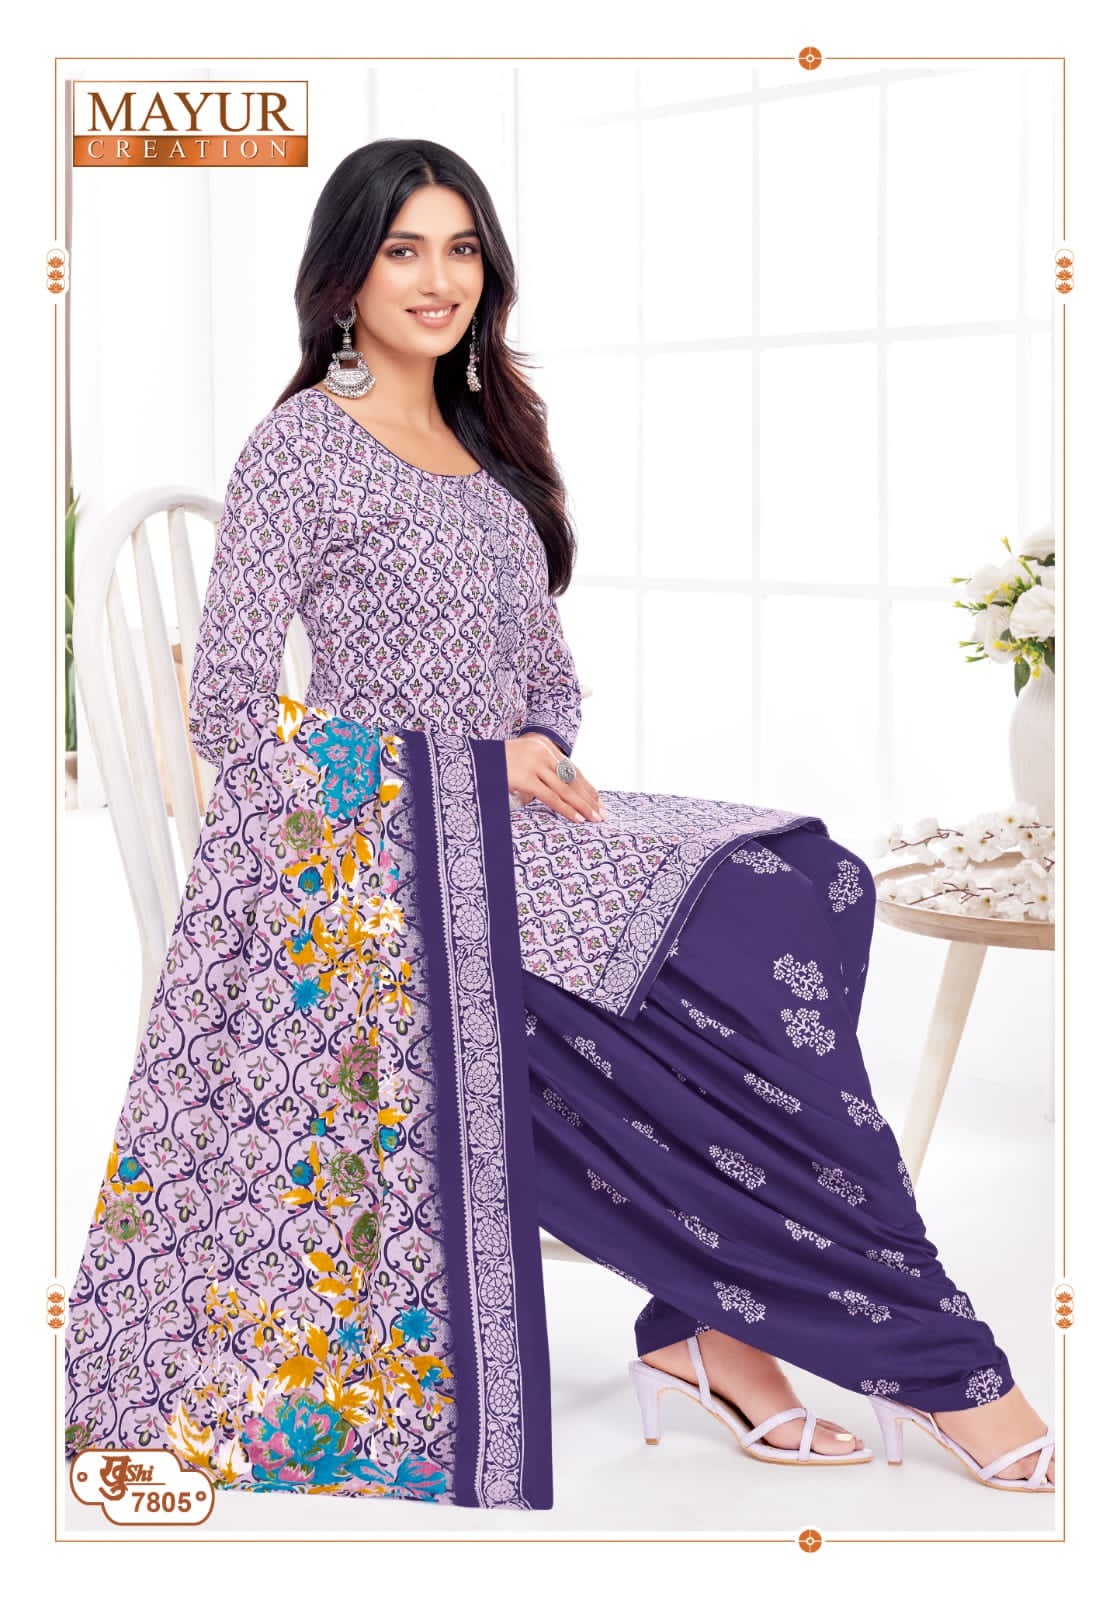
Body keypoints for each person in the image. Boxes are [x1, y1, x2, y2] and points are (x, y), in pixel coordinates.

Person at [67, 137, 1054, 1504]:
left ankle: (713, 1325)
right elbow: (232, 715)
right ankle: (940, 1368)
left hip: (515, 823)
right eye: (403, 250)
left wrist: (533, 744)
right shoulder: (301, 447)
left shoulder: (490, 437)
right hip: (382, 855)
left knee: (805, 879)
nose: (438, 278)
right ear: (345, 277)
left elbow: (545, 673)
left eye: (461, 248)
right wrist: (461, 770)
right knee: (710, 965)